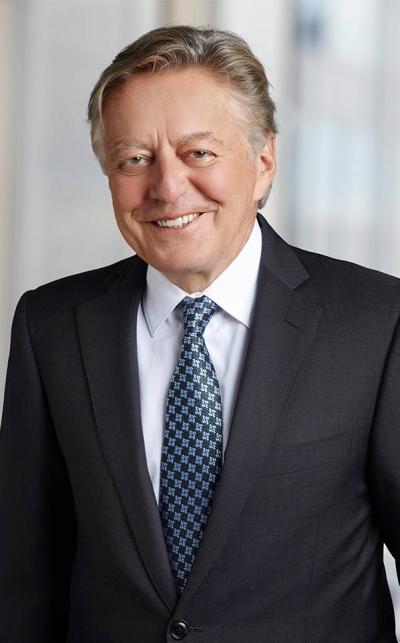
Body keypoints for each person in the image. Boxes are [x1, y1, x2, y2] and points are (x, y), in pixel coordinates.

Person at [0, 24, 399, 643]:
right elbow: (23, 577)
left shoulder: (377, 321)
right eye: (135, 159)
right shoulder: (50, 325)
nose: (166, 187)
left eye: (198, 153)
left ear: (263, 161)